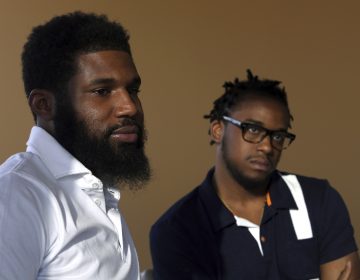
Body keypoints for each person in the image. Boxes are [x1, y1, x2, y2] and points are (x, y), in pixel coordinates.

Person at [150, 70, 360, 279]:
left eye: (278, 136)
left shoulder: (318, 200)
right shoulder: (176, 231)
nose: (267, 147)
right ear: (218, 130)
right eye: (252, 130)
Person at [0, 11, 151, 279]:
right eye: (102, 91)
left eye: (133, 90)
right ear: (44, 105)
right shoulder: (18, 194)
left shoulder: (98, 190)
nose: (129, 106)